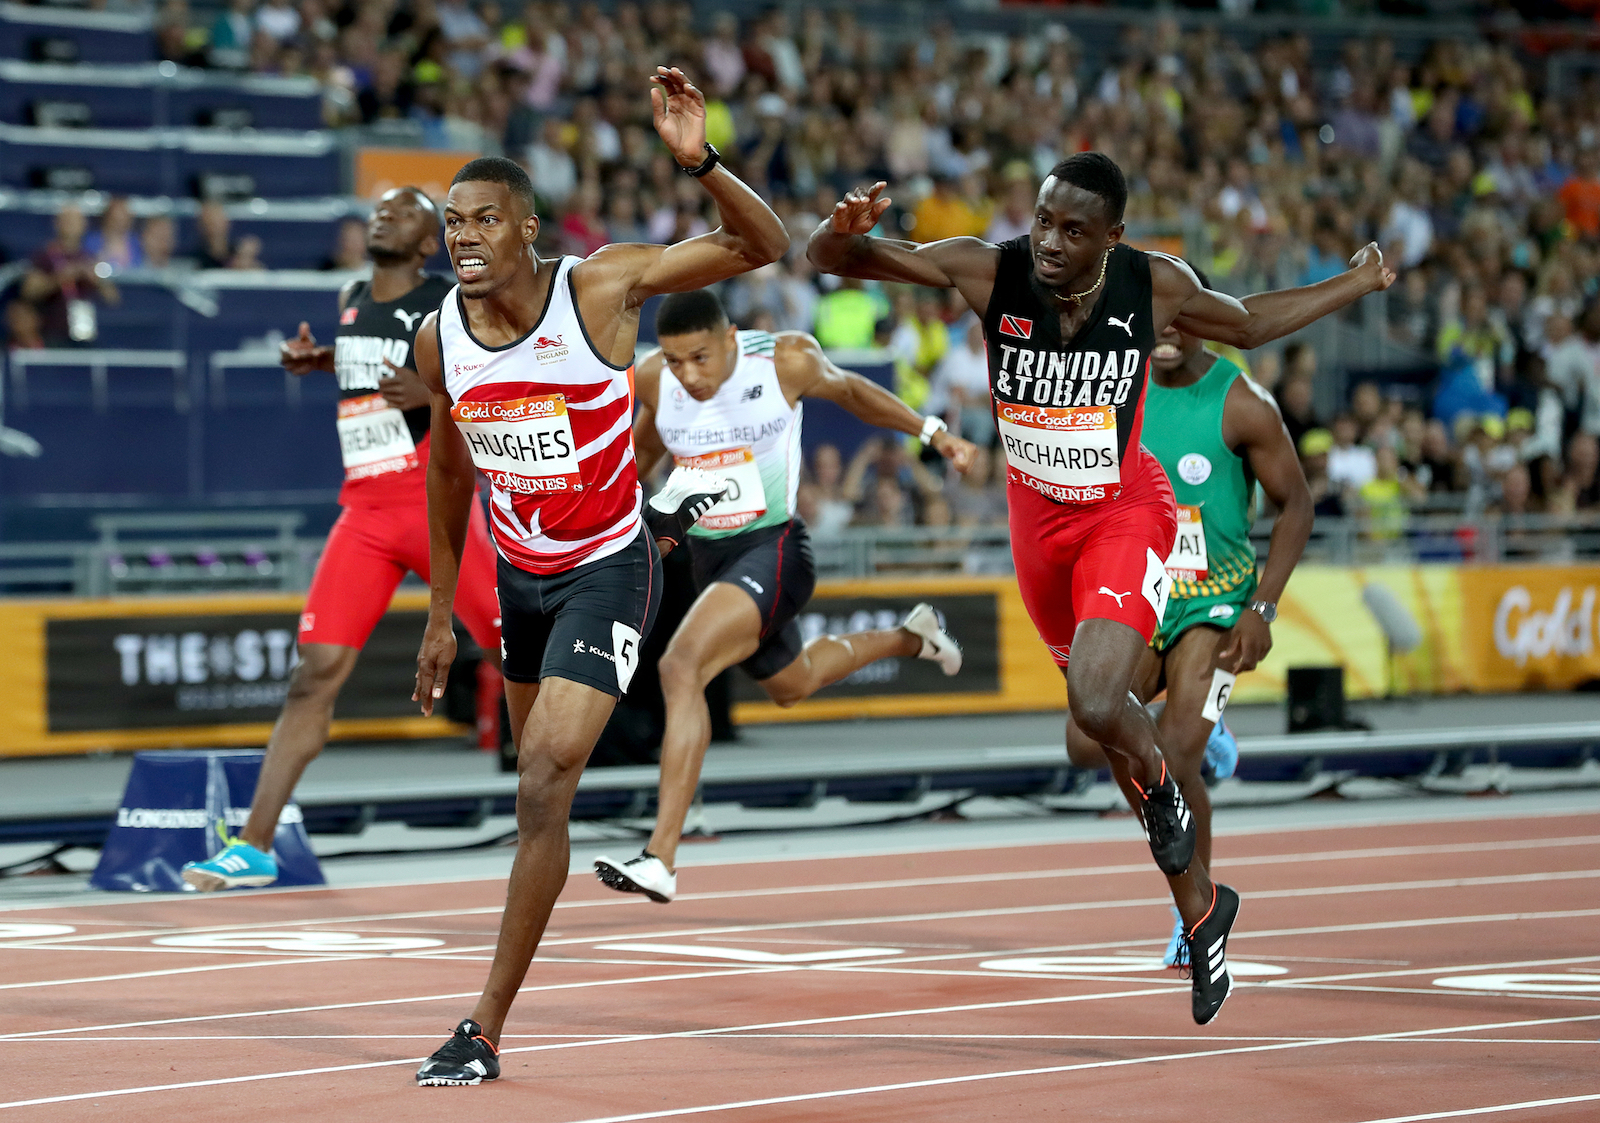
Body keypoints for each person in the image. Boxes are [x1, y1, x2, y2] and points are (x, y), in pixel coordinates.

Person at [807, 152, 1394, 1025]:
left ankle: (1169, 788)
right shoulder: (992, 268)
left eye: (1073, 230)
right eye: (1044, 219)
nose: (1048, 241)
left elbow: (1249, 324)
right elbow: (834, 261)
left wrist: (1356, 282)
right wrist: (838, 230)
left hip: (1126, 511)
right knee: (1111, 740)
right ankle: (1203, 909)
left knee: (1096, 699)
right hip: (1037, 528)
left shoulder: (1152, 284)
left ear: (1111, 237)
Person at [408, 67, 789, 1086]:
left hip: (608, 569)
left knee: (542, 778)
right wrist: (442, 609)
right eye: (451, 224)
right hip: (516, 580)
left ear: (527, 229)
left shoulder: (600, 289)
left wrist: (697, 160)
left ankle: (481, 1025)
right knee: (540, 799)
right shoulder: (437, 334)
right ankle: (503, 987)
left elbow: (767, 247)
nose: (463, 239)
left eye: (484, 220)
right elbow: (446, 466)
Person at [590, 289, 973, 902]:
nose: (690, 375)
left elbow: (853, 393)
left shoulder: (784, 361)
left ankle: (660, 853)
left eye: (701, 358)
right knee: (791, 685)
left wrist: (934, 432)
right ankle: (912, 635)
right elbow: (645, 448)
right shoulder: (659, 378)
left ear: (732, 338)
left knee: (680, 665)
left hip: (775, 549)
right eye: (676, 359)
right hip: (711, 557)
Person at [179, 187, 502, 892]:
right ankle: (254, 845)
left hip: (433, 499)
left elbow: (502, 369)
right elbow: (368, 359)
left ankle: (554, 801)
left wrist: (436, 393)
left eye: (404, 212)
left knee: (516, 654)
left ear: (428, 243)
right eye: (379, 208)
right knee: (313, 672)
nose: (383, 215)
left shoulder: (448, 301)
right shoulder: (352, 292)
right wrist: (321, 359)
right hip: (363, 508)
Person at [1064, 275, 1313, 969]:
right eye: (1152, 320)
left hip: (1219, 605)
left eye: (1176, 316)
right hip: (1143, 593)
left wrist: (1263, 608)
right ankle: (1205, 730)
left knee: (1174, 754)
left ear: (1200, 316)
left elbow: (1297, 505)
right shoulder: (1119, 390)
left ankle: (1195, 912)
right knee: (1086, 738)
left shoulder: (1242, 403)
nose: (1165, 330)